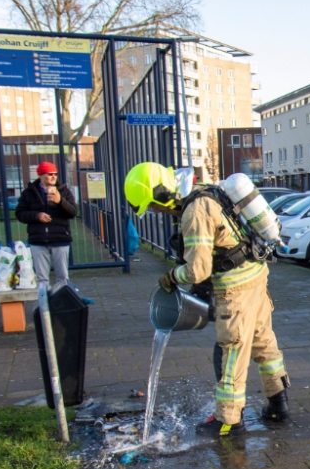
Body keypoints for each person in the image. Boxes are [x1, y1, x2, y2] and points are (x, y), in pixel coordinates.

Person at [124, 163, 290, 436]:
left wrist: (171, 277)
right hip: (255, 274)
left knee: (232, 351)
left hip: (235, 288)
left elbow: (196, 270)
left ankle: (228, 420)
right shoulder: (203, 192)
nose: (156, 212)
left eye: (153, 206)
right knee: (263, 341)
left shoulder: (194, 212)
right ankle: (278, 403)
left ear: (162, 194)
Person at [14, 161, 75, 286]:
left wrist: (60, 201)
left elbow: (73, 212)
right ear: (41, 175)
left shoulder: (64, 191)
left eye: (55, 174)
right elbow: (20, 213)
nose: (53, 177)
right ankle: (44, 304)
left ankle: (62, 304)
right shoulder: (28, 193)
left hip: (60, 239)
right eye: (49, 174)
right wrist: (36, 216)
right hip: (38, 240)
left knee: (63, 278)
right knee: (42, 279)